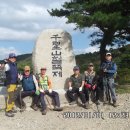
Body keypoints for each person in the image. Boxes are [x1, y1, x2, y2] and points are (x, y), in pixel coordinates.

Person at [4, 53, 18, 117]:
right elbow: (3, 68)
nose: (13, 58)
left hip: (15, 83)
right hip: (10, 83)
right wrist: (3, 64)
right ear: (9, 58)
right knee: (10, 97)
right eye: (12, 57)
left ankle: (11, 108)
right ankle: (8, 110)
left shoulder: (15, 65)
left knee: (13, 97)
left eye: (14, 57)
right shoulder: (7, 65)